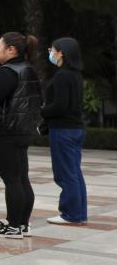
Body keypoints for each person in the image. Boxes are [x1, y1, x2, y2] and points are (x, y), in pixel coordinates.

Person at [0, 32, 42, 238]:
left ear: (11, 50)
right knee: (21, 178)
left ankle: (13, 225)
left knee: (12, 180)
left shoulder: (6, 72)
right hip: (23, 130)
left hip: (4, 132)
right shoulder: (28, 70)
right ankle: (22, 224)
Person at [42, 37, 87, 226]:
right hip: (75, 129)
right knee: (74, 172)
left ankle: (70, 214)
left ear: (61, 53)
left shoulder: (62, 75)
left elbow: (60, 106)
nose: (50, 52)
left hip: (63, 130)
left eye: (52, 49)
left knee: (65, 173)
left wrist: (40, 111)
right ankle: (79, 213)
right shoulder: (75, 75)